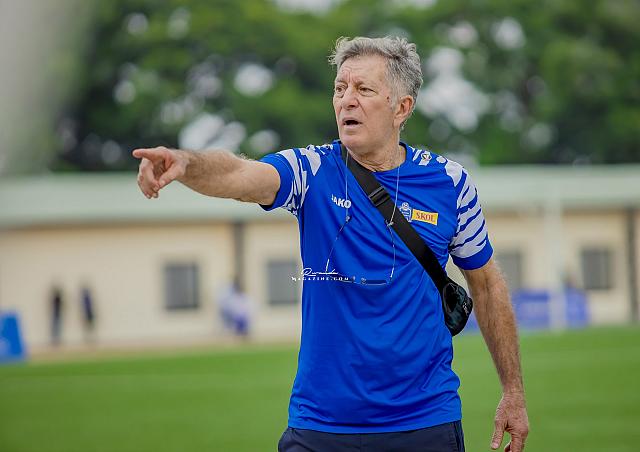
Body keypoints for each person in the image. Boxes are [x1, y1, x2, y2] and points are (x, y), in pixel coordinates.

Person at [133, 36, 529, 452]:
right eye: (340, 88)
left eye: (364, 89)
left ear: (401, 108)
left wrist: (514, 392)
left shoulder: (449, 183)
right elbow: (239, 174)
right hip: (321, 427)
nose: (346, 100)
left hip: (424, 423)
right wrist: (186, 163)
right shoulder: (311, 170)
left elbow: (487, 285)